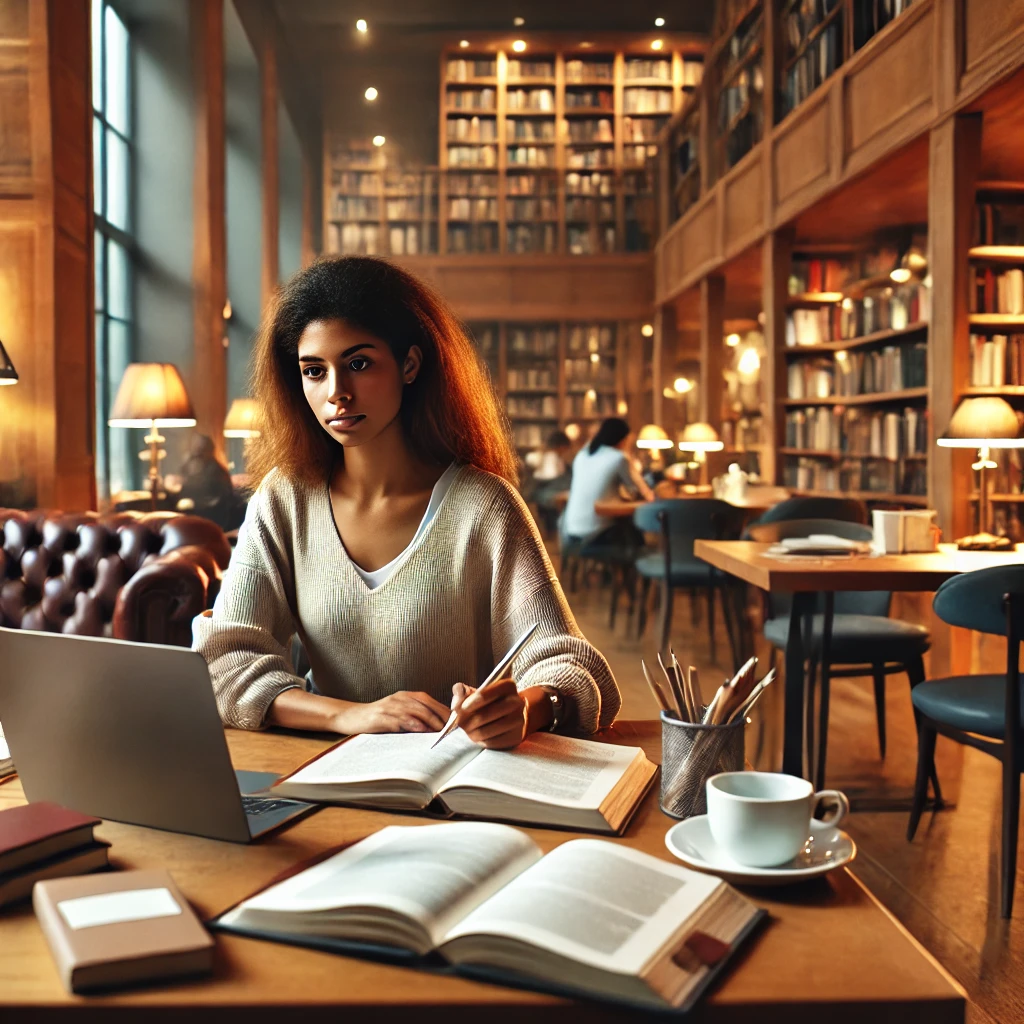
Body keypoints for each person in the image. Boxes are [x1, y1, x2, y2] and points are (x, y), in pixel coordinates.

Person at [193, 256, 620, 748]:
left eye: (358, 364)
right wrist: (347, 717)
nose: (338, 394)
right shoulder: (284, 498)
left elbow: (570, 664)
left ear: (410, 365)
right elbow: (224, 663)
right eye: (314, 371)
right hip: (324, 772)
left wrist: (529, 707)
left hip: (456, 782)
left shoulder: (484, 506)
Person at [562, 417, 654, 551]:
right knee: (633, 531)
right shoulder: (619, 458)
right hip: (595, 534)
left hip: (570, 532)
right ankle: (638, 566)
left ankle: (621, 570)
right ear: (624, 439)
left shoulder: (582, 456)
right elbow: (645, 494)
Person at [177, 434, 236, 527]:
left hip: (210, 518)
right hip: (189, 516)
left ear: (209, 450)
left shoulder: (217, 472)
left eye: (201, 449)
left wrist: (195, 505)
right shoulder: (191, 468)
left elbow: (220, 501)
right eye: (195, 448)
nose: (197, 453)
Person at [524, 429, 573, 536]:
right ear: (561, 446)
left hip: (537, 493)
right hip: (549, 493)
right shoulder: (553, 458)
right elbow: (554, 477)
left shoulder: (539, 455)